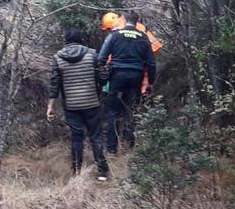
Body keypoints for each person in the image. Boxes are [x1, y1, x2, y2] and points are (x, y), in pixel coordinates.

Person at [47, 28, 111, 180]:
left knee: (77, 138)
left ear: (66, 40)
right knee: (96, 137)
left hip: (72, 106)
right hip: (92, 103)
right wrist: (106, 72)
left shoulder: (58, 57)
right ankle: (102, 172)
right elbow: (102, 79)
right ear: (81, 39)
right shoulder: (92, 54)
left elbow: (54, 84)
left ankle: (77, 173)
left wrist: (50, 106)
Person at [96, 11, 158, 152]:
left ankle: (112, 148)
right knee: (130, 109)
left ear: (124, 20)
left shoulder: (114, 36)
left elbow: (101, 59)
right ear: (137, 22)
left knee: (112, 111)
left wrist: (101, 76)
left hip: (117, 75)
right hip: (136, 76)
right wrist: (150, 82)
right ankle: (129, 144)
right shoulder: (143, 37)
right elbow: (151, 63)